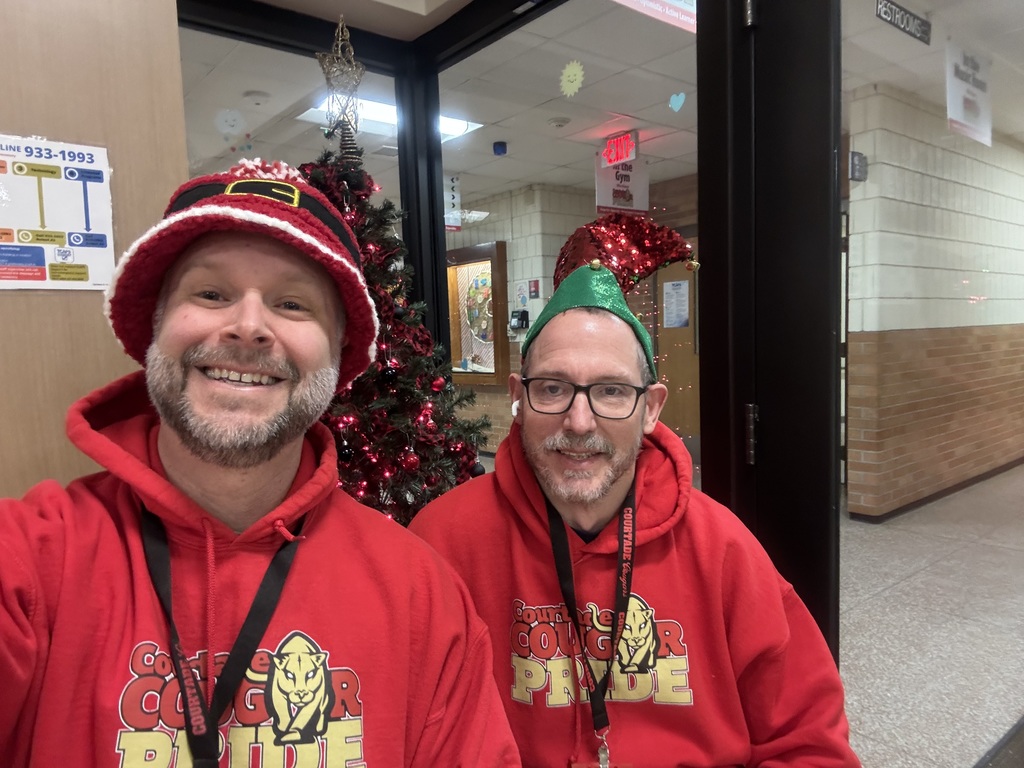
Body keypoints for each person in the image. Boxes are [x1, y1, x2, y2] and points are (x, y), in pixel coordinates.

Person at [0, 158, 520, 767]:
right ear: (155, 326)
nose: (248, 327)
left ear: (338, 354)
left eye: (292, 304)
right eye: (211, 293)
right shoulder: (31, 564)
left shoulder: (421, 595)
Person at [410, 259, 861, 767]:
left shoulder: (722, 549)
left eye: (611, 391)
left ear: (651, 408)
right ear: (519, 398)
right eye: (553, 388)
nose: (580, 422)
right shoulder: (443, 542)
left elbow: (811, 744)